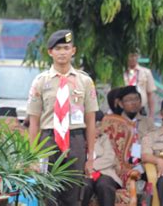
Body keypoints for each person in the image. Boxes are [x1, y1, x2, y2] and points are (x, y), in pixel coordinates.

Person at [27, 29, 99, 206]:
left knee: (73, 194)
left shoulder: (85, 81)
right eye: (57, 48)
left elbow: (91, 121)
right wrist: (33, 156)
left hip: (75, 140)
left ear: (73, 51)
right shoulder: (41, 81)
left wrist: (91, 157)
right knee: (48, 193)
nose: (62, 52)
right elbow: (34, 121)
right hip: (48, 140)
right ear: (50, 52)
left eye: (66, 48)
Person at [81, 111, 121, 206]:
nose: (99, 128)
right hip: (85, 175)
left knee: (104, 185)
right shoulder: (80, 139)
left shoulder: (103, 138)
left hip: (105, 173)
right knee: (84, 186)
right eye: (96, 125)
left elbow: (109, 158)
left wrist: (92, 166)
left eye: (100, 125)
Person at [117, 85, 156, 173]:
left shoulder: (148, 122)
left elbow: (154, 143)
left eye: (136, 99)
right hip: (120, 164)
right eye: (129, 100)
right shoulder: (115, 123)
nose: (134, 103)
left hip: (144, 162)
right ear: (121, 104)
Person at [123, 49, 156, 118]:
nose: (134, 58)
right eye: (131, 56)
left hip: (140, 110)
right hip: (123, 111)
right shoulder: (121, 73)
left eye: (135, 56)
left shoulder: (146, 72)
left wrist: (151, 115)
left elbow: (150, 94)